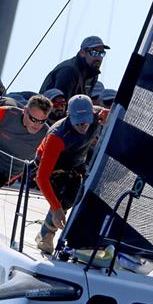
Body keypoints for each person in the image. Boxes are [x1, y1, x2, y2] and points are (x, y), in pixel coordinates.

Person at [34, 95, 105, 254]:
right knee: (66, 190)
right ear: (69, 116)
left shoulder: (98, 116)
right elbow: (41, 177)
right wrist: (56, 208)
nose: (82, 125)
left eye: (85, 121)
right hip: (53, 164)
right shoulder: (57, 136)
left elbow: (112, 113)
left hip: (77, 160)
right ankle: (46, 235)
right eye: (78, 121)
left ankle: (87, 240)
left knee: (95, 189)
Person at [39, 36, 109, 101]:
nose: (99, 58)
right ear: (82, 53)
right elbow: (62, 103)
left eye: (102, 54)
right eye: (94, 53)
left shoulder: (92, 72)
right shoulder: (69, 71)